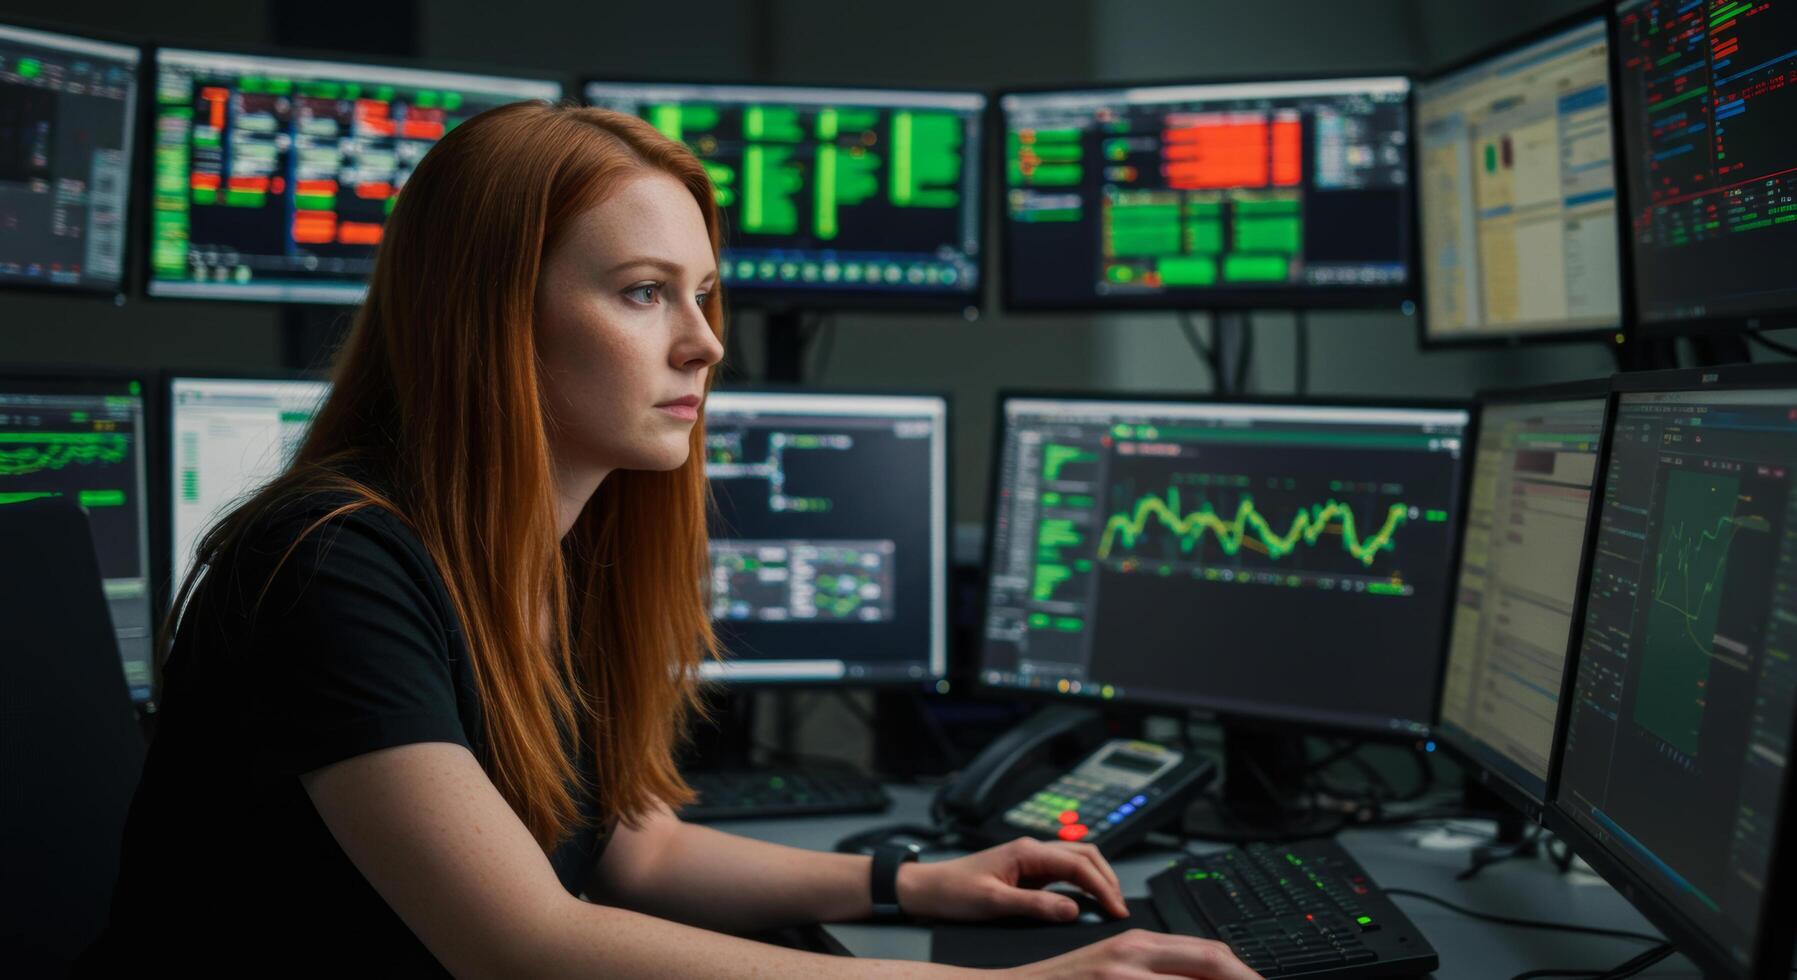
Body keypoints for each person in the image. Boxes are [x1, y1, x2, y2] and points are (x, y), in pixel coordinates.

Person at [83, 102, 1258, 979]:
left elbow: (628, 847)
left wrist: (908, 880)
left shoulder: (559, 553)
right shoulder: (328, 565)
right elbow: (524, 941)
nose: (703, 344)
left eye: (704, 295)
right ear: (489, 320)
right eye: (645, 291)